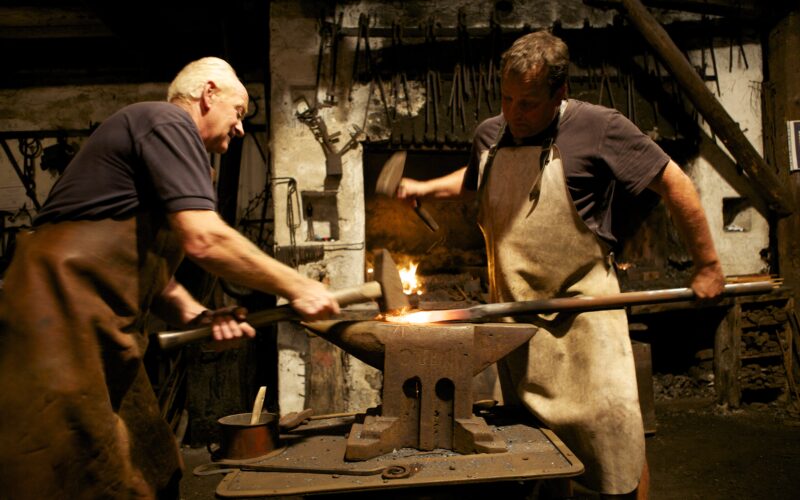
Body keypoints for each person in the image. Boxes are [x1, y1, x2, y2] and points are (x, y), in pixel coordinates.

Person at [397, 31, 725, 499]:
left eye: (528, 103)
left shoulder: (600, 127)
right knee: (538, 452)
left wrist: (708, 265)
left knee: (617, 447)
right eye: (507, 98)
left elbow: (677, 184)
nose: (514, 113)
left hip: (586, 320)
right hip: (515, 326)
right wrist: (426, 188)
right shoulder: (490, 134)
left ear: (560, 93)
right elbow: (474, 182)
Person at [0, 57, 340, 499]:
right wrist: (298, 285)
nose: (240, 128)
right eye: (239, 112)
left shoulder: (183, 156)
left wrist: (197, 313)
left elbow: (150, 269)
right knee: (67, 473)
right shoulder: (164, 121)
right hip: (55, 321)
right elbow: (205, 239)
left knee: (152, 461)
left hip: (104, 332)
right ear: (208, 94)